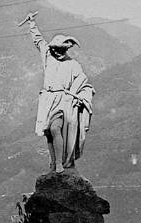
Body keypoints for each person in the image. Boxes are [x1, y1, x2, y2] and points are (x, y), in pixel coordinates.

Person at [25, 13, 95, 174]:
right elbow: (38, 41)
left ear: (65, 49)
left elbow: (84, 84)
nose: (55, 53)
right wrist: (31, 23)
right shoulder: (48, 57)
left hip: (63, 101)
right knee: (49, 132)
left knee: (56, 129)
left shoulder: (73, 65)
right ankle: (52, 165)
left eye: (59, 50)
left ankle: (59, 163)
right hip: (48, 99)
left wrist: (81, 96)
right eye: (54, 50)